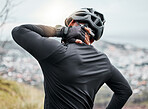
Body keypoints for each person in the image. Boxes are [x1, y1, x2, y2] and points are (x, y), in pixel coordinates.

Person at [11, 8, 132, 109]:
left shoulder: (56, 52)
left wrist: (60, 31)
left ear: (72, 24)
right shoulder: (104, 62)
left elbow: (19, 31)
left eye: (68, 25)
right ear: (93, 38)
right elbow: (125, 91)